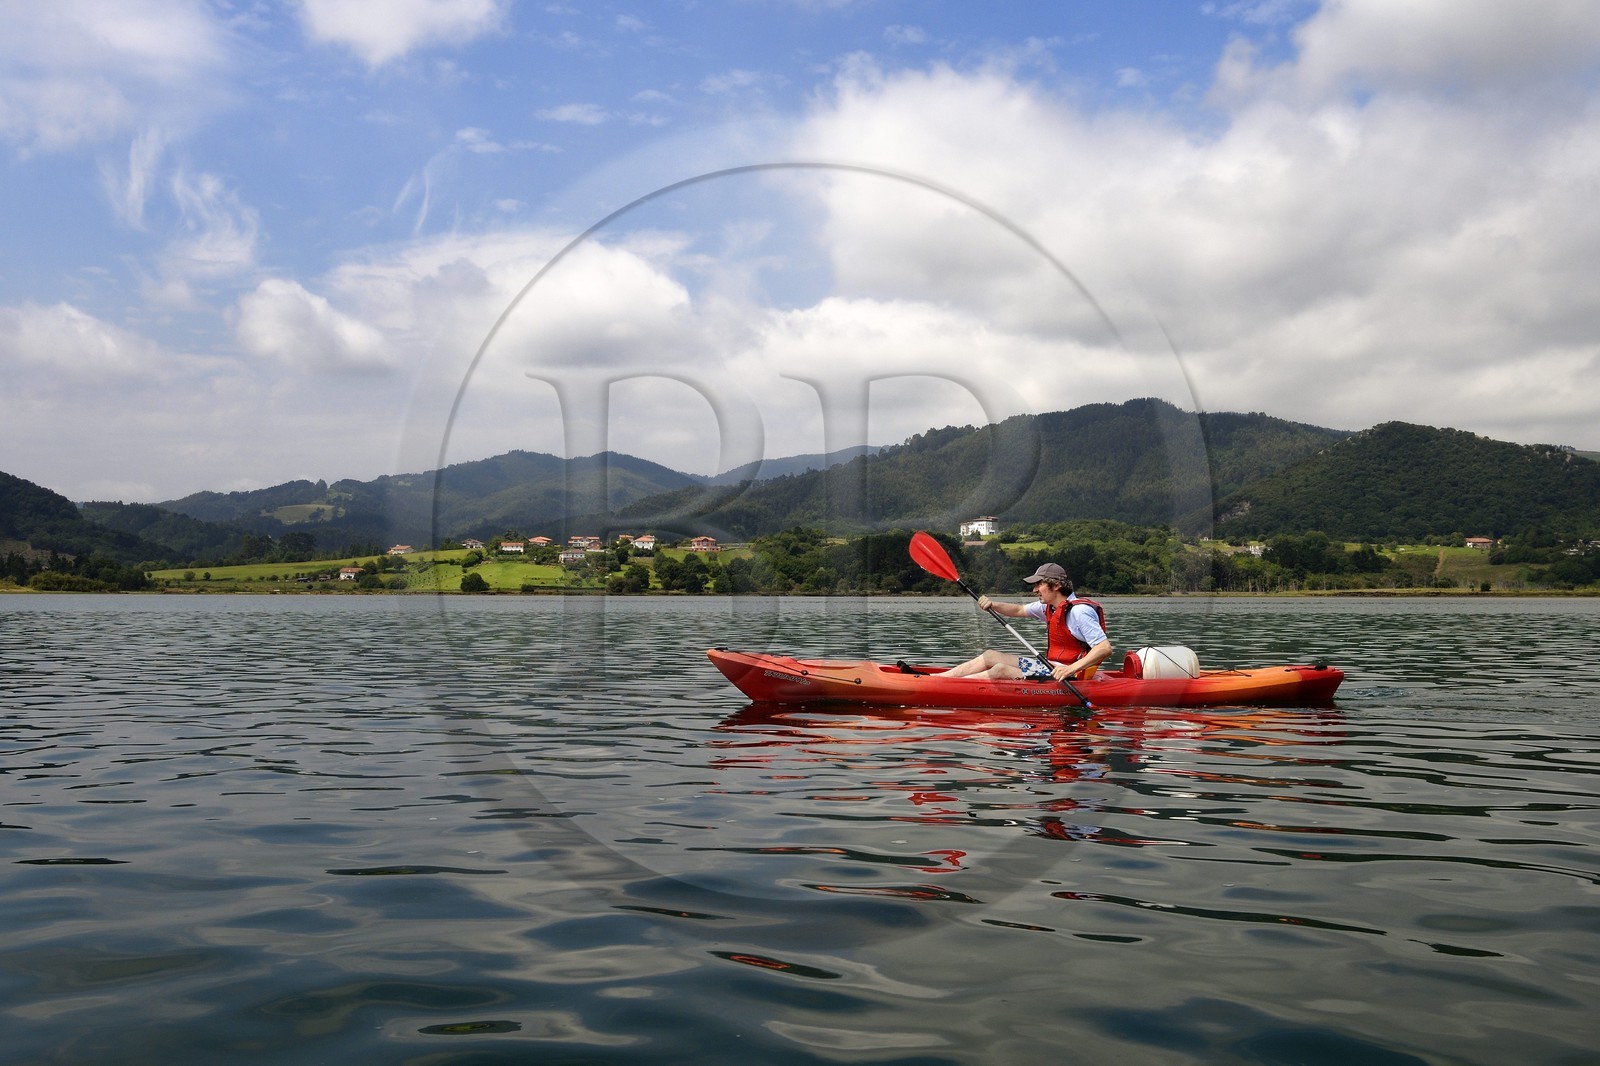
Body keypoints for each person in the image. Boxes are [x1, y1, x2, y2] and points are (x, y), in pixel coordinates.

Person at [942, 562, 1111, 681]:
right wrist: (992, 604)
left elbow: (1104, 648)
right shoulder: (1049, 607)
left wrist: (1070, 669)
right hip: (1052, 667)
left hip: (1072, 675)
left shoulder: (1080, 611)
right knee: (990, 656)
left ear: (1056, 585)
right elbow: (1019, 610)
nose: (1035, 589)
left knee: (1000, 669)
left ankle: (947, 687)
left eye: (1039, 584)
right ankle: (937, 679)